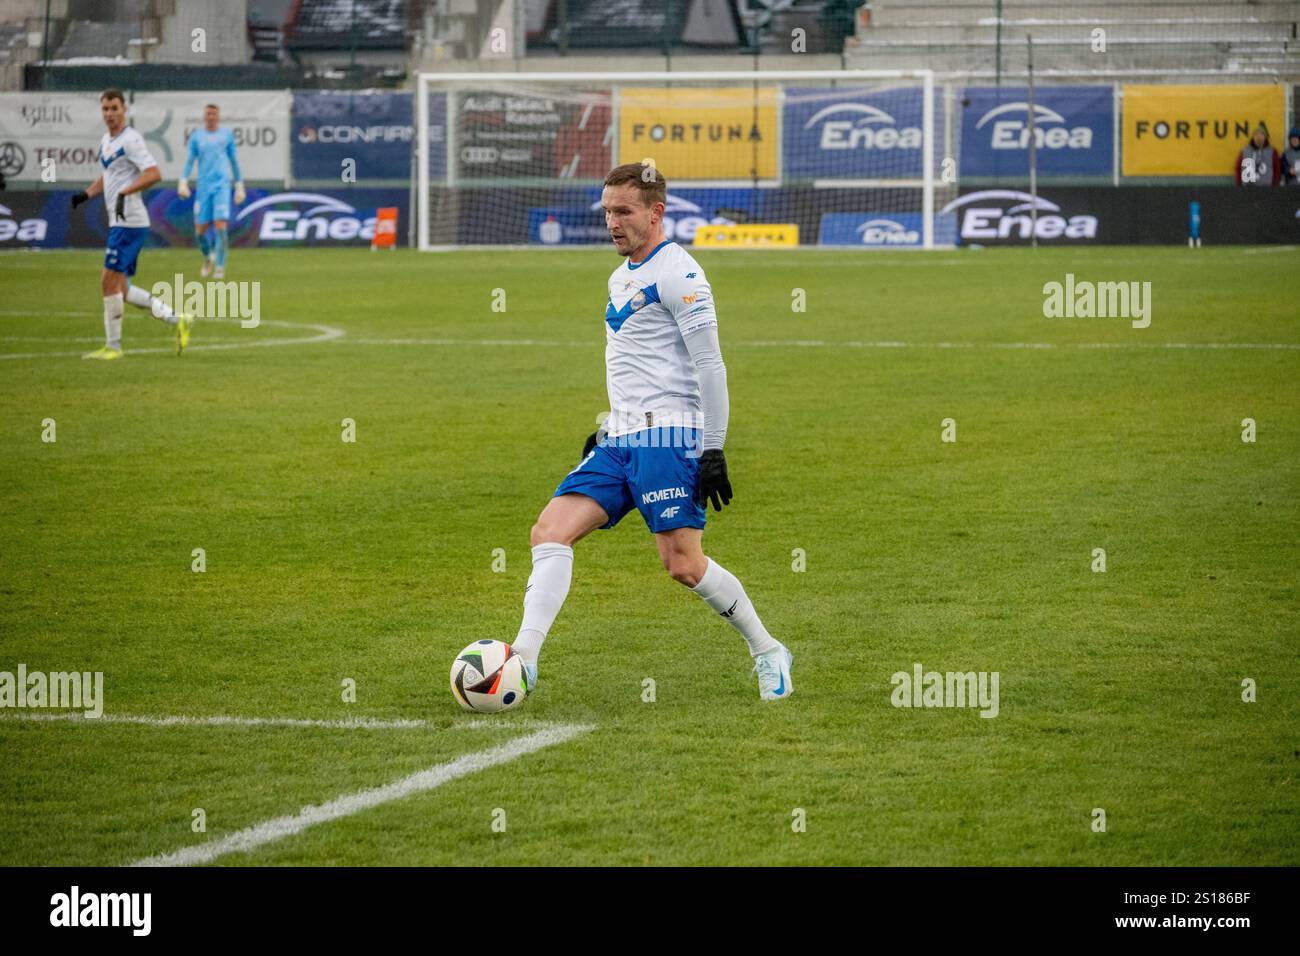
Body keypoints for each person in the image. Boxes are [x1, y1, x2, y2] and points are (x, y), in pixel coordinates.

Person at [510, 163, 793, 701]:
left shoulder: (679, 274)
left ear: (655, 212)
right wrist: (610, 425)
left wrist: (713, 448)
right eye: (607, 211)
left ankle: (767, 649)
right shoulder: (621, 275)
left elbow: (711, 366)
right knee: (549, 532)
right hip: (619, 436)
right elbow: (639, 363)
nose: (611, 222)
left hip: (669, 438)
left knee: (682, 565)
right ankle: (523, 660)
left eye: (623, 212)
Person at [71, 89, 193, 360]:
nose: (110, 114)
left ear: (124, 109)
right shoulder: (107, 141)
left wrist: (126, 192)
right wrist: (87, 194)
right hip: (121, 221)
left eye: (114, 108)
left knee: (107, 281)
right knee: (121, 289)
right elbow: (108, 175)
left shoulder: (131, 140)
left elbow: (154, 173)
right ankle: (177, 320)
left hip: (130, 221)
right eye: (105, 109)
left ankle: (113, 347)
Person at [178, 103, 244, 279]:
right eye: (208, 114)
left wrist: (239, 185)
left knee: (221, 226)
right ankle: (208, 258)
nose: (211, 117)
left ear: (218, 116)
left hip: (221, 186)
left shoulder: (226, 135)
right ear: (204, 116)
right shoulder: (197, 136)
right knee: (200, 231)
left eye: (214, 114)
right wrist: (183, 181)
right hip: (203, 188)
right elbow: (190, 160)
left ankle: (220, 268)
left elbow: (234, 161)